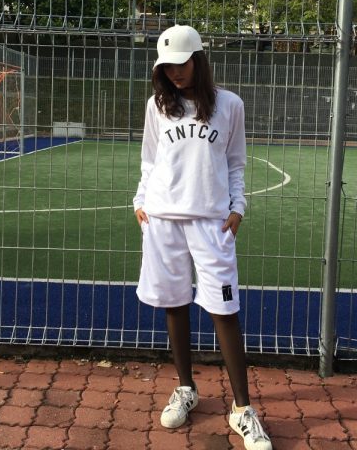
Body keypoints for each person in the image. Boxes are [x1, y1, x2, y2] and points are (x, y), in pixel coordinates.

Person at [133, 25, 272, 450]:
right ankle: (186, 388)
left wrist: (238, 207)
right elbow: (150, 161)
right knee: (174, 304)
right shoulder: (158, 106)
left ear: (198, 60)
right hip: (162, 220)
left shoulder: (230, 105)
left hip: (211, 223)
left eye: (181, 63)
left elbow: (236, 162)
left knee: (224, 309)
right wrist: (140, 201)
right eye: (166, 67)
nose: (174, 72)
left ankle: (242, 409)